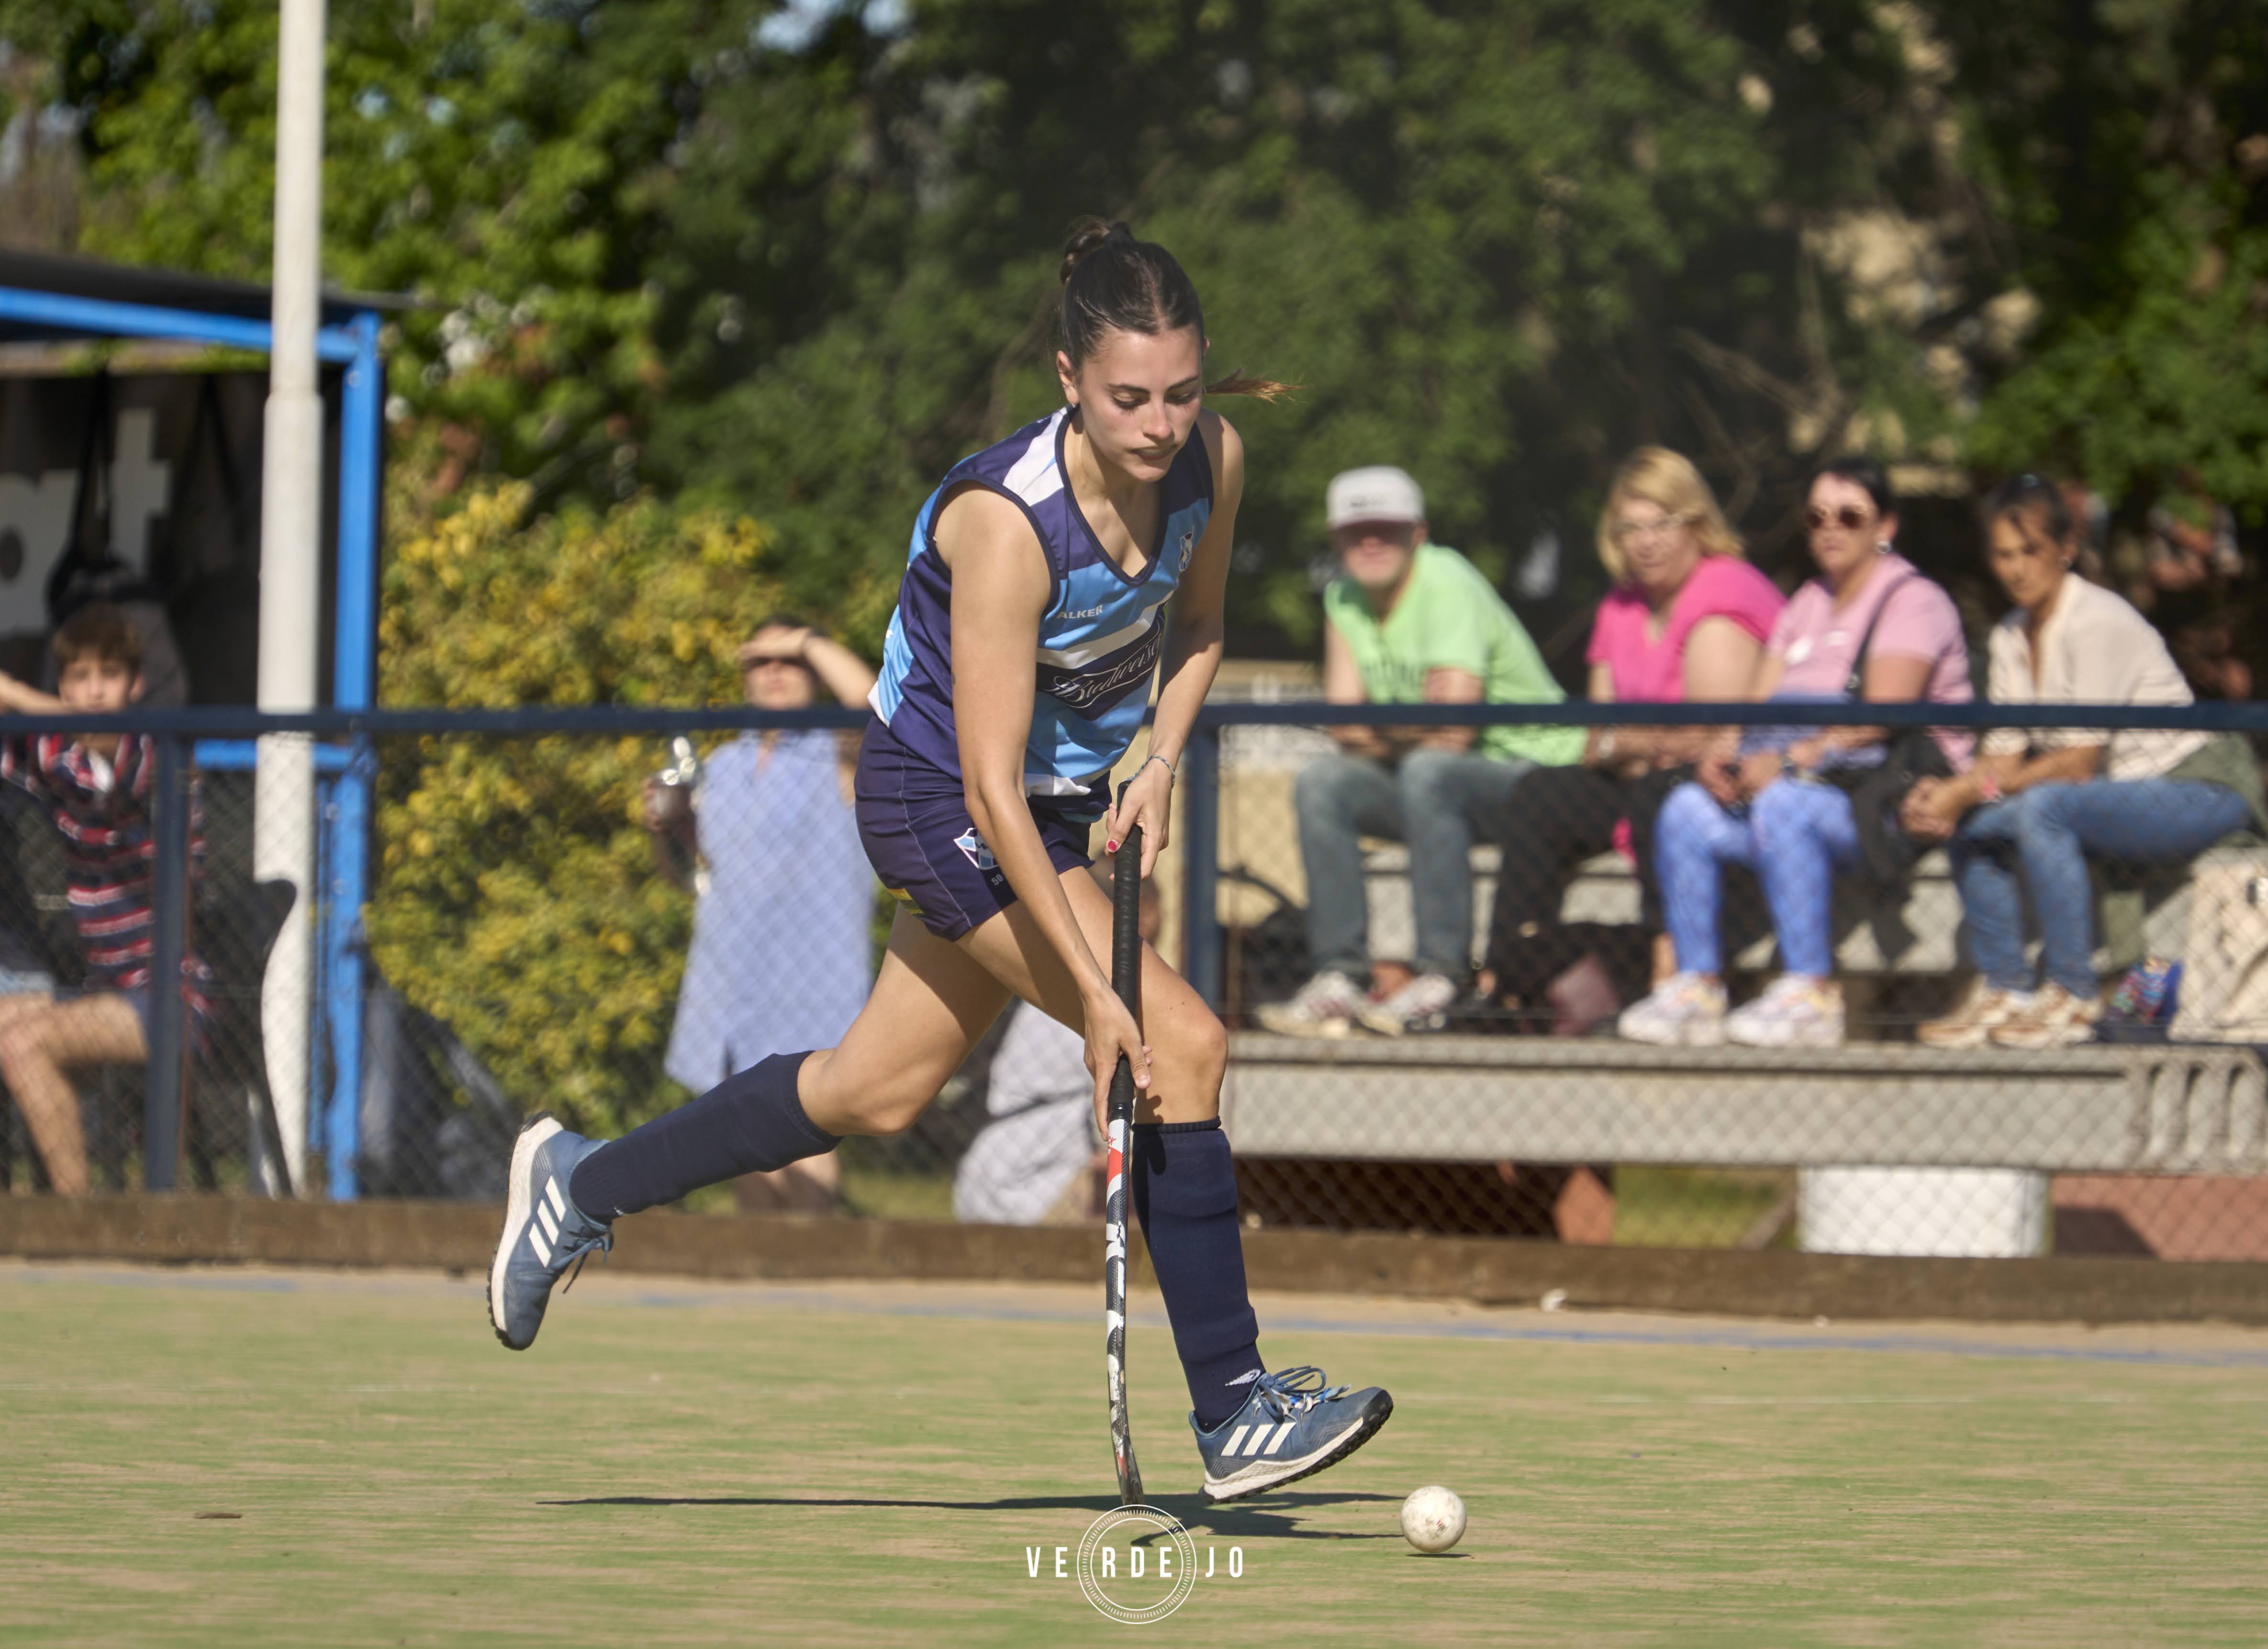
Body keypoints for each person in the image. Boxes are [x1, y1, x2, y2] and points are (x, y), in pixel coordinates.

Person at [488, 220, 1392, 1503]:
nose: (1160, 423)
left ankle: (580, 1179)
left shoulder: (1212, 463)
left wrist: (1159, 757)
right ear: (1071, 380)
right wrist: (1093, 989)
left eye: (1183, 392)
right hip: (943, 803)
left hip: (1062, 799)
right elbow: (984, 779)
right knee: (1176, 1039)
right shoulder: (1005, 524)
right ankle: (1235, 1403)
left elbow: (1198, 624)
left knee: (875, 1092)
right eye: (1129, 397)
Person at [1619, 456, 1973, 1049]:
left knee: (1784, 804)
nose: (1829, 528)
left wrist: (1784, 763)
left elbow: (1879, 720)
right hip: (1796, 793)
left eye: (1848, 516)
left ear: (1883, 526)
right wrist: (1722, 756)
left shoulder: (1912, 600)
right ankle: (1696, 986)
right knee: (1682, 808)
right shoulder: (1805, 602)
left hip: (1882, 804)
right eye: (1815, 517)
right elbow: (1754, 715)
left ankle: (1810, 992)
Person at [1906, 475, 2263, 1049]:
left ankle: (2073, 995)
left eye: (2030, 552)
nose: (2016, 568)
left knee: (2043, 808)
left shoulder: (2096, 619)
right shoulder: (2006, 637)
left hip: (2198, 787)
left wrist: (1968, 788)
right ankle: (2006, 990)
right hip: (2115, 797)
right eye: (2002, 554)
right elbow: (1998, 757)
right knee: (1975, 825)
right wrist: (1945, 796)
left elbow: (2076, 763)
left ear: (2065, 549)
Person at [1258, 465, 1581, 1037]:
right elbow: (1343, 726)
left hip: (1536, 779)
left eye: (1387, 528)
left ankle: (1442, 973)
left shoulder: (1447, 580)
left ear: (1419, 534)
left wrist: (1390, 728)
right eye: (1357, 531)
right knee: (1323, 782)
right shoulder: (1341, 597)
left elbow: (1452, 733)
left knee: (1430, 769)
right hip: (1433, 789)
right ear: (1336, 539)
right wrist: (1416, 724)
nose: (1371, 542)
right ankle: (1340, 975)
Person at [1481, 448, 1783, 1033]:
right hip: (1639, 779)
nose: (1645, 542)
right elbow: (1595, 737)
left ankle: (1673, 979)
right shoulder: (1619, 604)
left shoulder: (1726, 590)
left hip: (1726, 790)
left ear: (1694, 522)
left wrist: (1635, 740)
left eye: (1661, 524)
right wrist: (1643, 740)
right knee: (1539, 795)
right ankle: (1503, 979)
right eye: (1630, 528)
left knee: (1663, 795)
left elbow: (1706, 736)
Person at [645, 617, 877, 1215]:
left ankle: (819, 1280)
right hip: (729, 986)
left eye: (789, 661)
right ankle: (768, 1282)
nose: (775, 672)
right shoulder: (719, 766)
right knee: (743, 1143)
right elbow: (689, 875)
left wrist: (806, 640)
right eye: (761, 661)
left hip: (813, 987)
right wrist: (663, 830)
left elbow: (875, 704)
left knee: (808, 1134)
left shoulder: (838, 750)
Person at [0, 605, 210, 1194]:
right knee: (8, 1024)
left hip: (172, 996)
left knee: (23, 1041)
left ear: (136, 683)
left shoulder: (156, 752)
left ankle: (79, 1215)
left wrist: (16, 692)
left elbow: (107, 745)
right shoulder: (58, 759)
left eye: (109, 675)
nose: (94, 691)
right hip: (103, 992)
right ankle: (54, 1199)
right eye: (79, 677)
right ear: (63, 683)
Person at [952, 864, 1161, 1226]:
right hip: (1024, 1185)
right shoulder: (1097, 996)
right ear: (1140, 917)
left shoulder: (1067, 980)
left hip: (998, 1170)